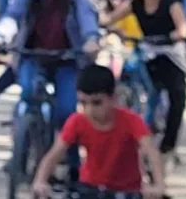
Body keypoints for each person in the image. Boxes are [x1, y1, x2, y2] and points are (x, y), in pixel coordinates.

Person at [0, 0, 100, 179]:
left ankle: (73, 165)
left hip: (67, 59)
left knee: (66, 110)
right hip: (33, 56)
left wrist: (91, 40)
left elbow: (87, 22)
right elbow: (12, 17)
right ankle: (20, 153)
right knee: (27, 97)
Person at [32, 64, 165, 198]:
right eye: (83, 103)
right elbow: (55, 154)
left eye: (97, 103)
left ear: (114, 98)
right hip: (89, 189)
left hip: (127, 191)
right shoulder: (77, 121)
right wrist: (40, 181)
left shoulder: (132, 121)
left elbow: (151, 153)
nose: (89, 110)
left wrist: (159, 186)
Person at [103, 0, 186, 164]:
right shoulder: (135, 4)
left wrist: (173, 36)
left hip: (170, 55)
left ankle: (168, 145)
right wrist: (109, 27)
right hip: (146, 52)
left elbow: (183, 29)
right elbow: (110, 19)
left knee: (177, 96)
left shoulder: (171, 4)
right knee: (139, 86)